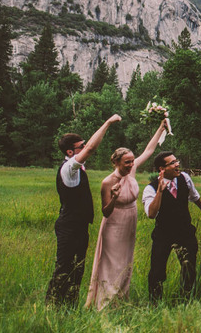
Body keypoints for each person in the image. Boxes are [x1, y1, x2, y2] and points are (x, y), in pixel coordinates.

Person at [85, 119, 167, 310]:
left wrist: (161, 128)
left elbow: (148, 150)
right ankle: (105, 303)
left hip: (130, 222)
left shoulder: (132, 171)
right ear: (115, 162)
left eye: (132, 161)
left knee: (125, 262)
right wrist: (113, 197)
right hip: (114, 225)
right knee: (111, 263)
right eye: (127, 162)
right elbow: (105, 211)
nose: (131, 165)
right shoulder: (107, 182)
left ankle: (120, 300)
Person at [46, 114, 122, 307]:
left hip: (79, 226)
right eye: (80, 146)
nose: (85, 147)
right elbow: (91, 148)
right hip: (69, 226)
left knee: (77, 268)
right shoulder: (69, 168)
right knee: (64, 267)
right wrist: (108, 122)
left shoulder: (77, 168)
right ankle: (52, 305)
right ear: (71, 152)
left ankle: (69, 306)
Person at [143, 151, 201, 301]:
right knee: (157, 270)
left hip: (184, 231)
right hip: (163, 234)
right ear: (162, 169)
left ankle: (186, 298)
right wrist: (160, 192)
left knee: (189, 266)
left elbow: (194, 196)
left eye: (176, 161)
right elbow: (151, 214)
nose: (177, 164)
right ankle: (155, 302)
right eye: (172, 163)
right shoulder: (150, 189)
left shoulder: (184, 178)